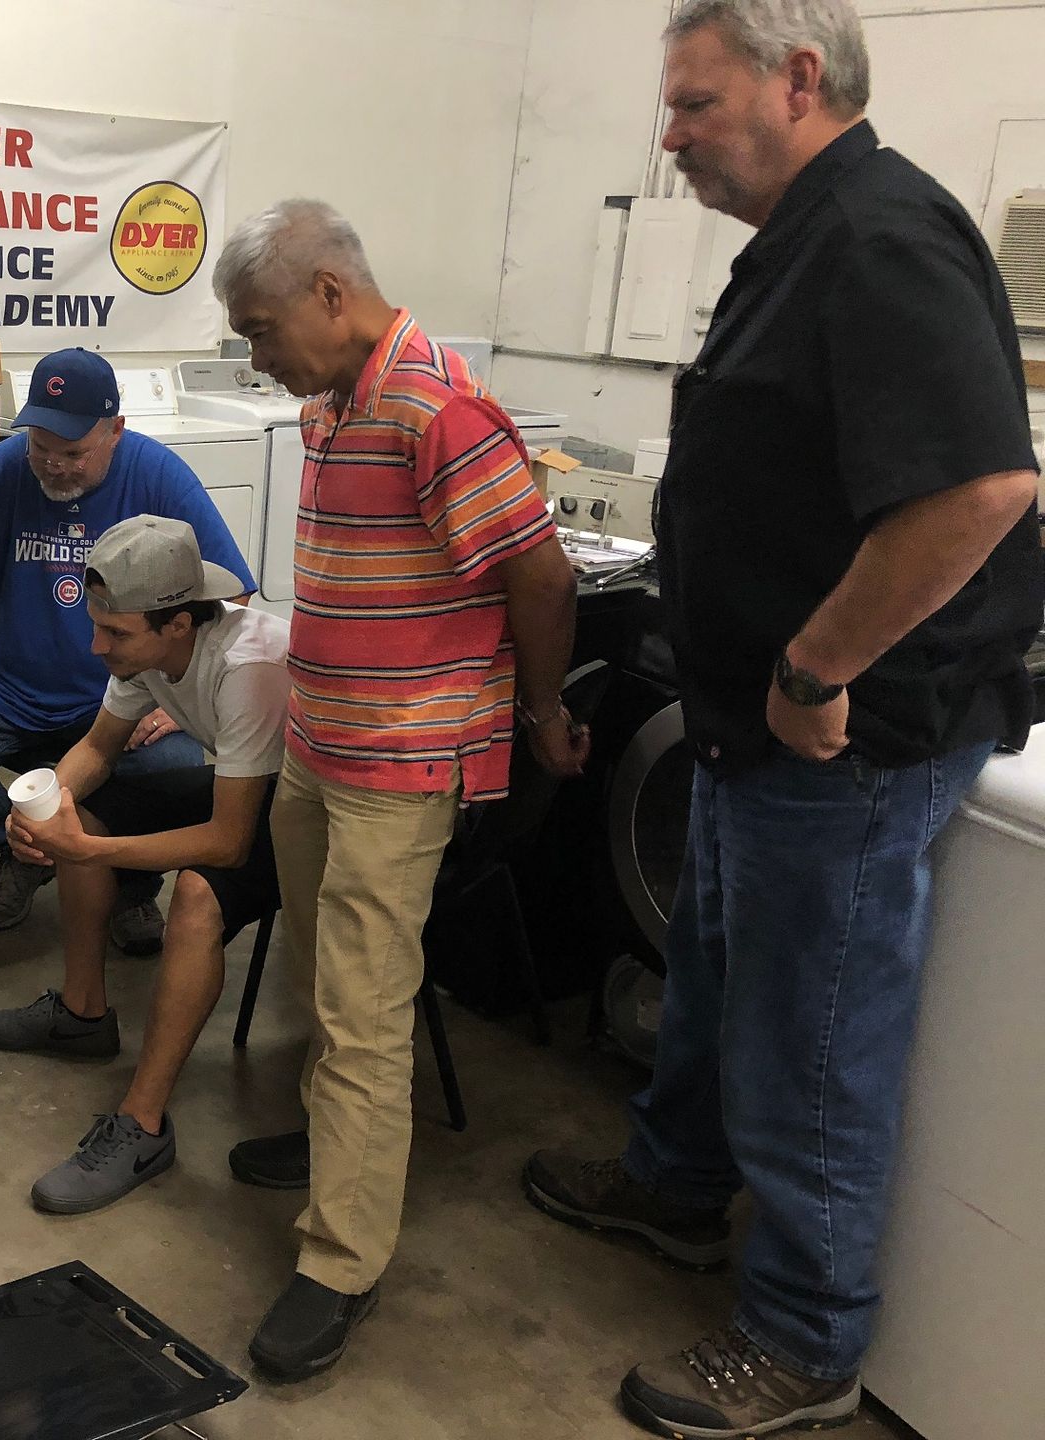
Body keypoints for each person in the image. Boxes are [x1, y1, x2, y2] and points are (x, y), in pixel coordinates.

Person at [521, 3, 1043, 1435]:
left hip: (854, 745)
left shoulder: (881, 238)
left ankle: (809, 1341)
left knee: (810, 1028)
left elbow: (980, 490)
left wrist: (815, 670)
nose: (669, 136)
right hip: (757, 733)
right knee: (715, 967)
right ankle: (676, 1188)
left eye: (692, 105)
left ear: (797, 79)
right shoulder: (804, 240)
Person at [212, 199, 585, 1381]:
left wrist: (537, 718)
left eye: (263, 332)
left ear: (331, 292)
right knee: (330, 973)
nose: (259, 360)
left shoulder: (437, 408)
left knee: (366, 1011)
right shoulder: (333, 399)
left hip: (402, 763)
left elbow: (541, 575)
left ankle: (342, 1257)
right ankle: (340, 1150)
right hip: (323, 742)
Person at [0, 515, 290, 1214]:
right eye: (97, 625)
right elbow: (98, 748)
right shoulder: (149, 654)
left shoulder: (249, 667)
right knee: (81, 812)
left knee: (199, 896)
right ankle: (84, 1015)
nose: (95, 644)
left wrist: (88, 852)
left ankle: (143, 1125)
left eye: (114, 633)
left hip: (307, 808)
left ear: (178, 623)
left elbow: (230, 841)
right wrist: (42, 810)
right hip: (246, 788)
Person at [0, 346, 258, 946]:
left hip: (126, 699)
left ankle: (129, 883)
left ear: (115, 431)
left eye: (73, 453)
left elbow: (231, 592)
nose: (53, 466)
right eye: (41, 448)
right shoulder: (3, 470)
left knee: (173, 765)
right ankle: (25, 853)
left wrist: (176, 699)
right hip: (12, 688)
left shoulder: (159, 474)